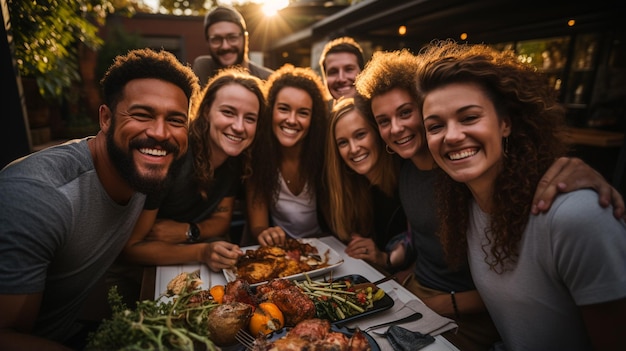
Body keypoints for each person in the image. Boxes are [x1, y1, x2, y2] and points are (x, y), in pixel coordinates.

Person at [355, 48, 626, 350]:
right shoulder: (463, 200)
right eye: (436, 126)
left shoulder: (574, 214)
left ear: (506, 122)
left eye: (469, 117)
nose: (453, 135)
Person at [0, 48, 199, 350]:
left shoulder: (146, 168)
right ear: (105, 118)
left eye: (175, 120)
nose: (160, 133)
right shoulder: (37, 197)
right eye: (142, 114)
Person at [116, 68, 266, 304]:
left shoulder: (236, 158)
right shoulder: (173, 155)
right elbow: (131, 248)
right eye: (228, 112)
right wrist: (201, 251)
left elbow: (221, 221)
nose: (239, 126)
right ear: (206, 111)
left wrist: (189, 231)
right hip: (144, 279)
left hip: (193, 268)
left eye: (250, 118)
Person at [246, 64, 329, 246]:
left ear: (313, 119)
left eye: (303, 113)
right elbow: (258, 226)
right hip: (283, 254)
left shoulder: (325, 157)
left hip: (329, 249)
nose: (291, 120)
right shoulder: (257, 157)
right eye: (283, 109)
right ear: (270, 111)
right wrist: (266, 234)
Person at [322, 95, 407, 270]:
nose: (353, 149)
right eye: (343, 143)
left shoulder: (407, 178)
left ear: (377, 132)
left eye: (360, 135)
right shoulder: (352, 189)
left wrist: (384, 257)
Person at [193, 5, 273, 87]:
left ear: (245, 38)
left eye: (232, 37)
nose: (225, 46)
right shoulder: (203, 69)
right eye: (216, 39)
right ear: (208, 42)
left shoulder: (269, 80)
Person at [318, 36, 365, 101]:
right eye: (333, 72)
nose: (341, 79)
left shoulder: (380, 110)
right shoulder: (317, 110)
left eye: (349, 69)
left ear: (363, 73)